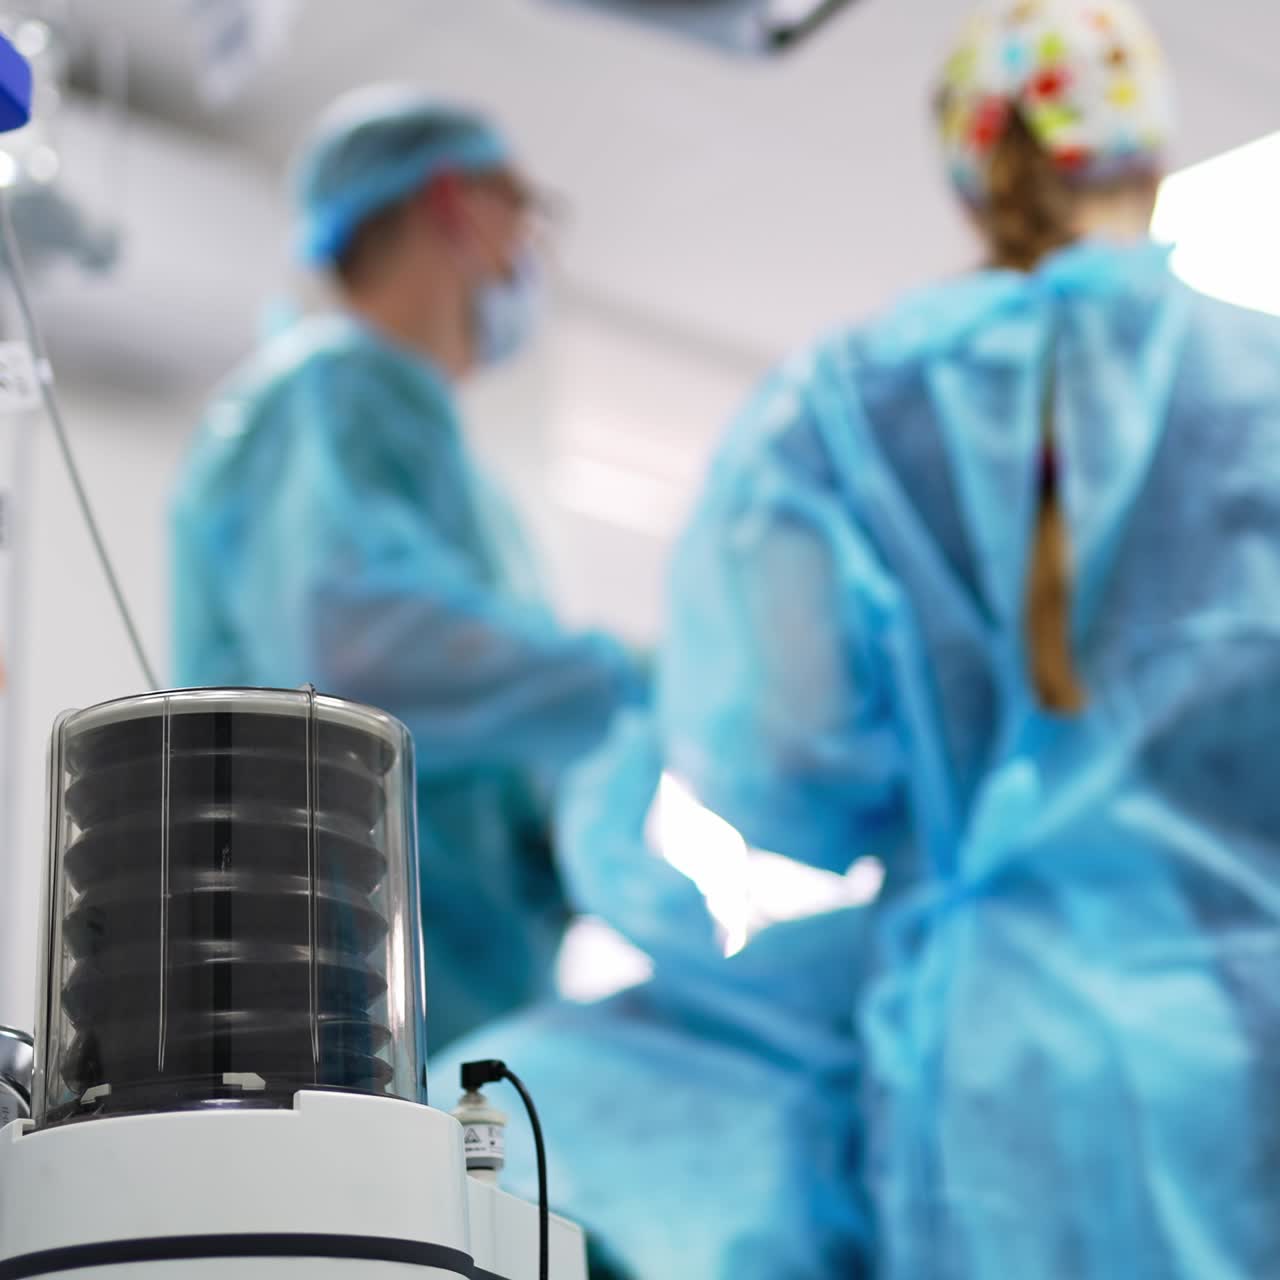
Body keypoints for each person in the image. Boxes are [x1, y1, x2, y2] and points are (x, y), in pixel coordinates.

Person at [442, 1, 1280, 1276]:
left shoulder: (842, 414)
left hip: (1002, 1088)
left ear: (968, 176)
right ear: (1147, 158)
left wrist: (613, 803)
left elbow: (776, 786)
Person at [171, 87, 643, 1053]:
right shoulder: (333, 394)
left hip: (454, 1001)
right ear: (453, 203)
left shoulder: (457, 478)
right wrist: (629, 677)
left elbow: (483, 752)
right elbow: (359, 645)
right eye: (521, 208)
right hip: (332, 999)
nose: (529, 249)